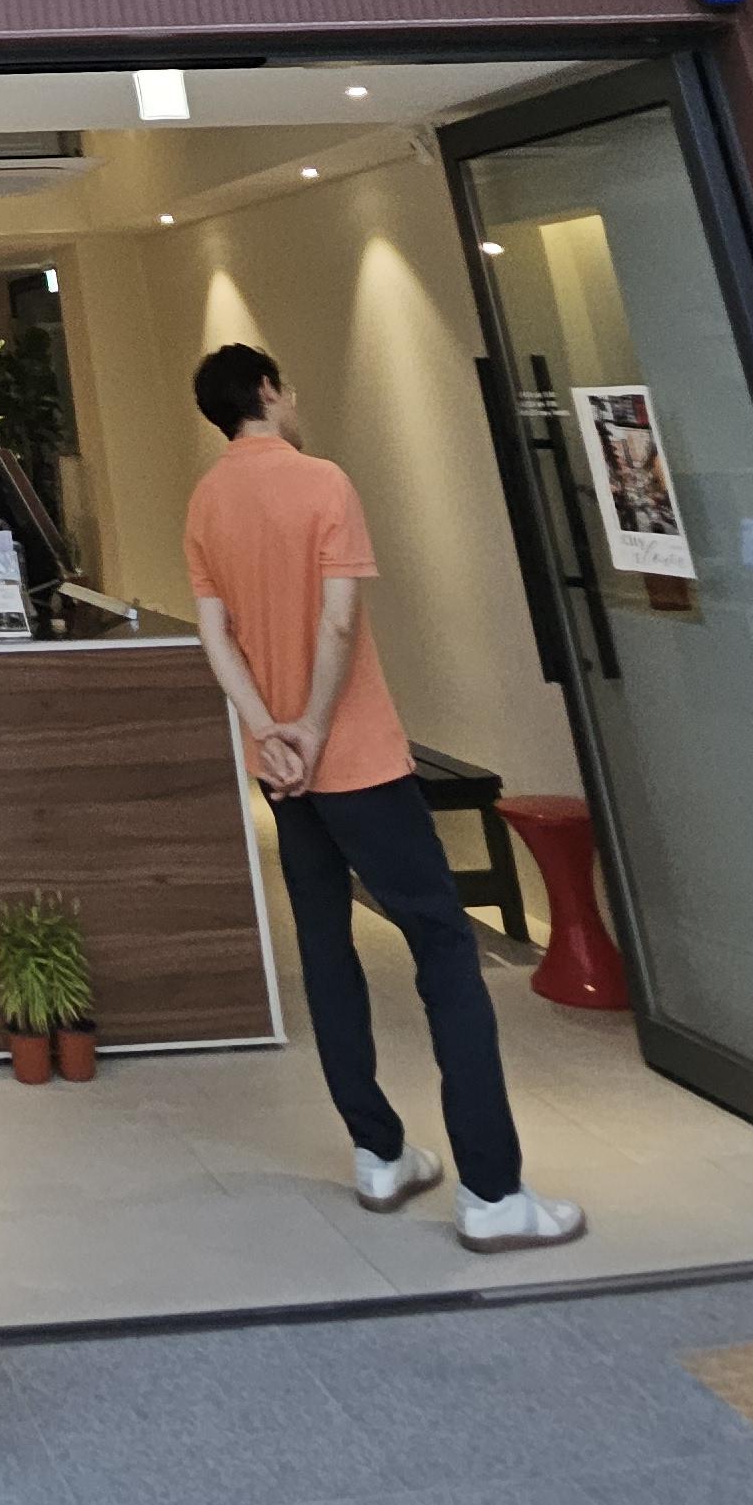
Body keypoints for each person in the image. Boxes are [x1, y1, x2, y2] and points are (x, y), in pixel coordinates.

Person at [182, 340, 585, 1255]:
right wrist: (314, 727)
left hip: (282, 772)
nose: (293, 400)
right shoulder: (324, 482)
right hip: (357, 758)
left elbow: (216, 637)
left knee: (326, 948)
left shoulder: (207, 500)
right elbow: (338, 622)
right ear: (267, 391)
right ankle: (492, 1191)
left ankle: (378, 1153)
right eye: (288, 388)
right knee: (444, 946)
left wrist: (270, 732)